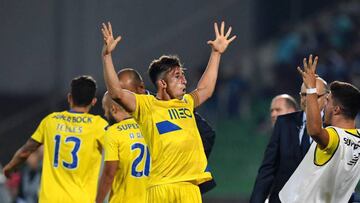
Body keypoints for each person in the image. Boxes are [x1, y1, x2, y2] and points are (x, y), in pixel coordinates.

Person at [100, 21, 235, 202]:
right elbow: (115, 92)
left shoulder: (186, 103)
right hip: (161, 187)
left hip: (189, 187)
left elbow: (206, 90)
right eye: (177, 76)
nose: (184, 81)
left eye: (183, 75)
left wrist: (216, 53)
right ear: (162, 83)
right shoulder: (146, 105)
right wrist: (107, 56)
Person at [2, 75, 108, 203]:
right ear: (94, 101)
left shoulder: (51, 121)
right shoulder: (99, 126)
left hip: (50, 199)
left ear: (70, 98)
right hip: (81, 199)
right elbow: (118, 153)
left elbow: (25, 152)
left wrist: (9, 168)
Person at [116, 68, 217, 193]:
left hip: (174, 185)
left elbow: (207, 134)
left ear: (141, 88)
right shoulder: (121, 117)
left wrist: (185, 168)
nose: (122, 98)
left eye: (127, 91)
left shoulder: (168, 104)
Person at [279, 55, 360, 202]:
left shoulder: (335, 137)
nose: (323, 105)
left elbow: (315, 130)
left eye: (327, 101)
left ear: (336, 110)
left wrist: (311, 90)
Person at [250, 76, 329, 203]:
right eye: (304, 95)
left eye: (313, 94)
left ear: (326, 99)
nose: (308, 99)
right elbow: (268, 169)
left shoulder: (334, 129)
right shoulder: (284, 123)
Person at [96, 92, 148, 203]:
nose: (105, 114)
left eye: (105, 109)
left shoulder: (113, 132)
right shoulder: (147, 126)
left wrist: (97, 201)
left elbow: (109, 174)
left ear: (113, 109)